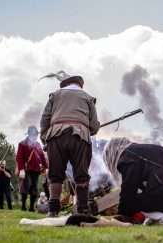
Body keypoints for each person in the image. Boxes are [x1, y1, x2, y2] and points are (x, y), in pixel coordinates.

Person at [40, 71, 100, 216]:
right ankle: (83, 210)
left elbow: (45, 118)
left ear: (65, 84)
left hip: (56, 136)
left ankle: (53, 210)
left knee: (55, 175)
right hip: (80, 137)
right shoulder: (88, 97)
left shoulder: (55, 95)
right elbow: (94, 125)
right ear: (79, 84)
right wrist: (90, 129)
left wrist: (45, 138)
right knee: (81, 174)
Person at [103, 138, 163, 221]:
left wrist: (122, 214)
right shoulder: (150, 149)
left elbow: (129, 188)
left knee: (131, 202)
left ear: (112, 152)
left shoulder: (127, 155)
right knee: (155, 197)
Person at [16, 126, 48, 211]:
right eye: (34, 134)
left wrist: (46, 167)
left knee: (34, 188)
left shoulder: (37, 144)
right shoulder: (22, 144)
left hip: (36, 170)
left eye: (36, 135)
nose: (35, 136)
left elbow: (42, 156)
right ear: (30, 134)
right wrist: (21, 169)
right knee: (25, 187)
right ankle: (23, 206)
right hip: (26, 169)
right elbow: (19, 157)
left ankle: (31, 207)